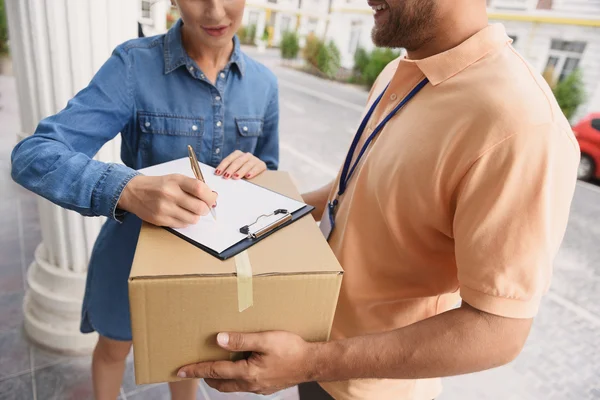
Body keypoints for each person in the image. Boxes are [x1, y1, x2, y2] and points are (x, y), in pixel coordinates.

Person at [176, 0, 581, 399]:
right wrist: (248, 209)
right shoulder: (400, 70)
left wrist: (313, 361)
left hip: (370, 386)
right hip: (314, 353)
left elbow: (498, 332)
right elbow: (353, 192)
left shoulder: (521, 124)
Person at [10, 0, 278, 399]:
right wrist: (127, 189)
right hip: (130, 255)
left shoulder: (264, 84)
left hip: (210, 268)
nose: (216, 11)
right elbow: (33, 155)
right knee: (114, 347)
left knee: (187, 358)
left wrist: (260, 169)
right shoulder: (134, 66)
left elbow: (272, 172)